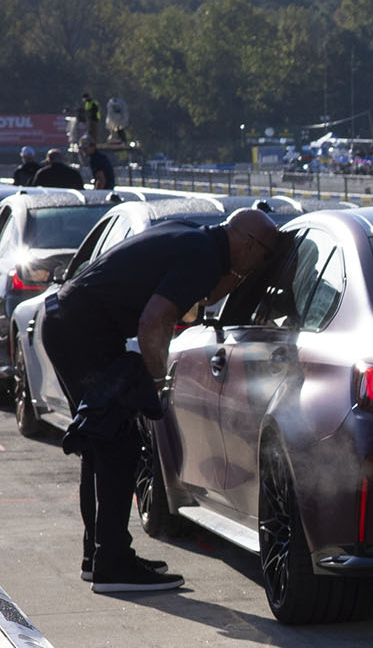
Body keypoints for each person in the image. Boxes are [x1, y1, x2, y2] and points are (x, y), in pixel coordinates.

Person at [40, 207, 286, 593]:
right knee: (117, 444)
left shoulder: (195, 239)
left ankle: (100, 556)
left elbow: (198, 301)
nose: (258, 266)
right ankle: (114, 565)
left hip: (66, 322)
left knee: (100, 443)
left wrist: (234, 278)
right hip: (82, 333)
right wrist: (157, 382)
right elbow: (154, 321)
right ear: (250, 244)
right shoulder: (203, 255)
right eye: (264, 256)